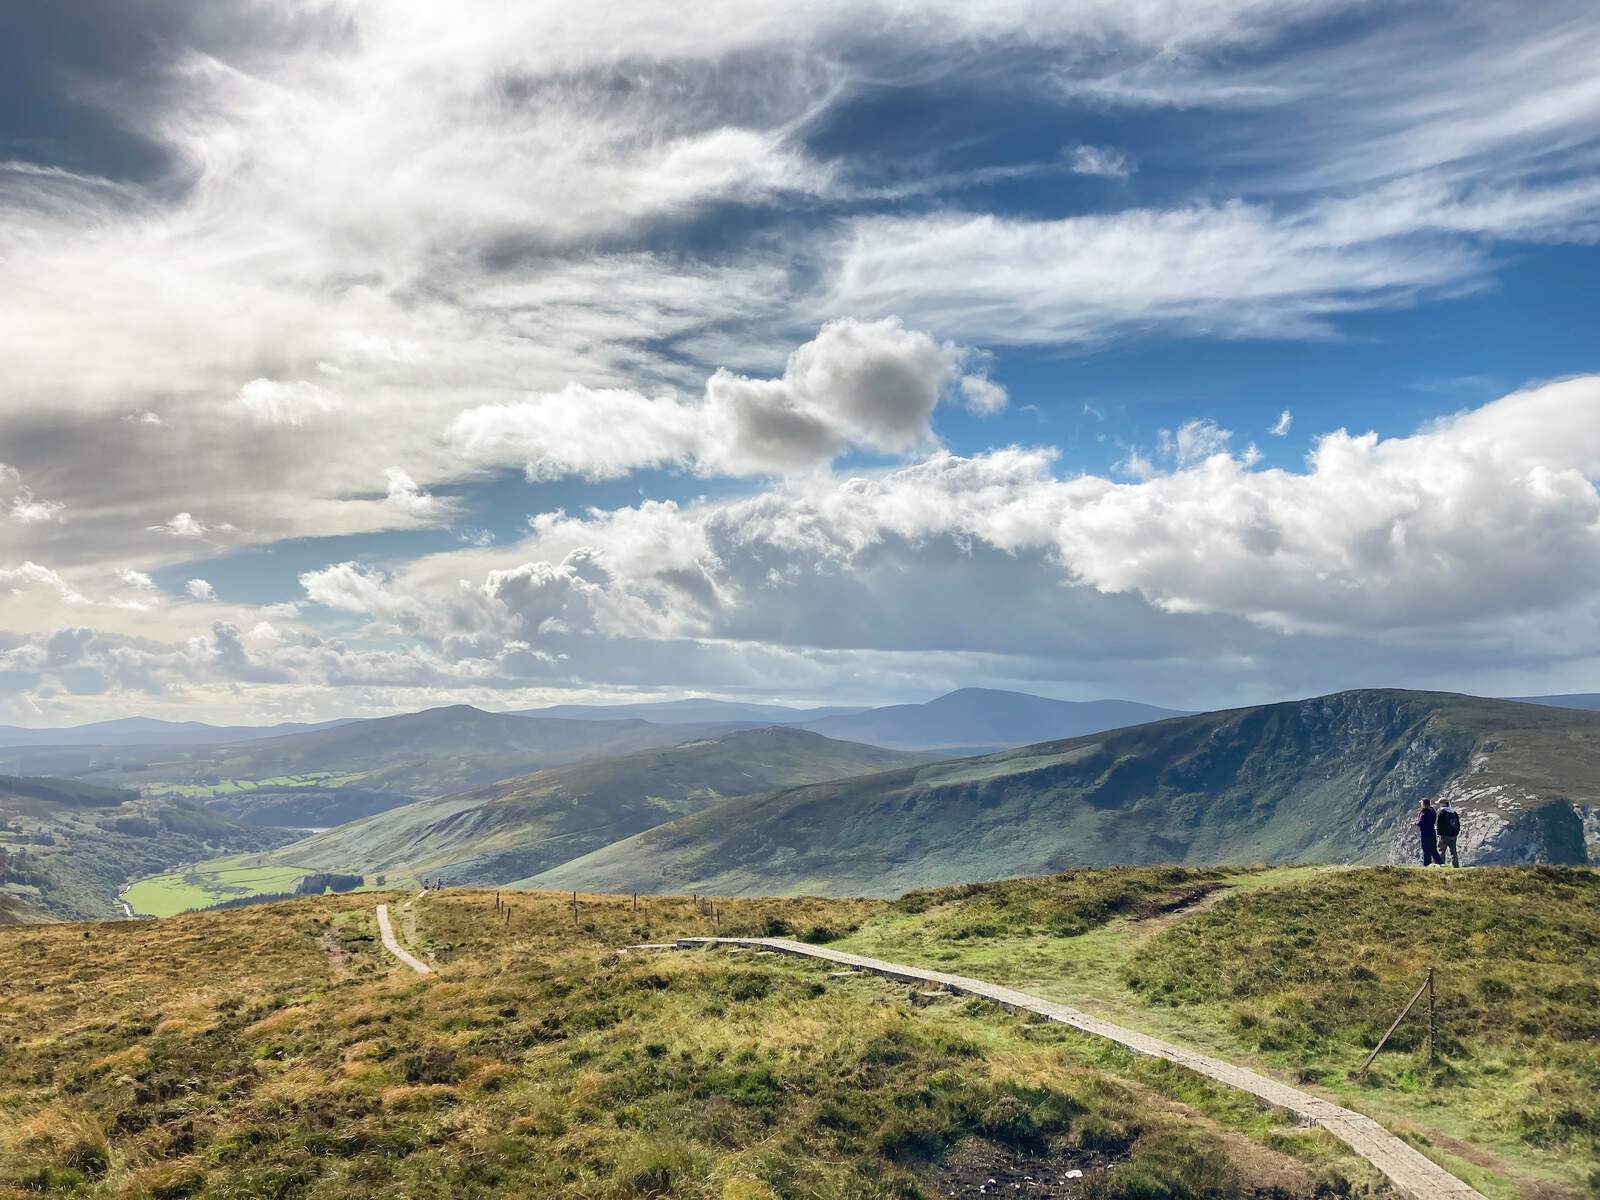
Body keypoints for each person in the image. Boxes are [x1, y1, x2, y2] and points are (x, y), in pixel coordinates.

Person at [1416, 798, 1441, 866]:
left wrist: (1415, 823)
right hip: (1432, 831)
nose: (1420, 805)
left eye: (1421, 803)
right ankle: (1440, 862)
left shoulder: (1424, 812)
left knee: (1426, 849)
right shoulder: (1432, 811)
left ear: (1423, 804)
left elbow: (1420, 822)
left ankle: (1427, 864)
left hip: (1425, 833)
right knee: (1433, 849)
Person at [1436, 800, 1462, 867]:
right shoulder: (1454, 813)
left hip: (1444, 835)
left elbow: (1439, 824)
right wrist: (1456, 833)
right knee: (1453, 851)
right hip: (1453, 836)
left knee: (1442, 850)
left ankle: (1441, 865)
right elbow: (1458, 824)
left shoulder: (1442, 812)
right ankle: (1455, 865)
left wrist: (1439, 834)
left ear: (1442, 804)